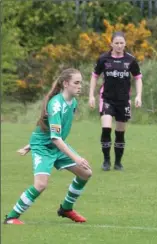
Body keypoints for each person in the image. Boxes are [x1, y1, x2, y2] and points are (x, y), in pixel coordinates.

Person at [4, 68, 92, 225]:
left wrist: (28, 145)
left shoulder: (73, 102)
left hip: (55, 144)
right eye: (76, 83)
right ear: (65, 83)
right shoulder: (56, 105)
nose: (80, 86)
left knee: (85, 173)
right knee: (41, 184)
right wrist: (76, 158)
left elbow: (47, 129)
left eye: (81, 82)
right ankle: (11, 217)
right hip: (44, 147)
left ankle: (66, 208)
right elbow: (55, 137)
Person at [89, 31, 143, 171]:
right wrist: (91, 96)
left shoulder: (130, 60)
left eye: (122, 43)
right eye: (116, 43)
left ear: (125, 44)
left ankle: (118, 163)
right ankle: (106, 161)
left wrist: (138, 96)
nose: (119, 45)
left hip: (123, 101)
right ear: (111, 44)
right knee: (106, 128)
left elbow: (138, 78)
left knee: (120, 132)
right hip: (107, 99)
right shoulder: (103, 59)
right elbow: (94, 76)